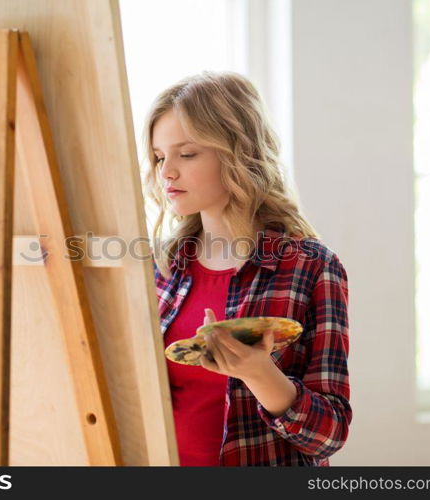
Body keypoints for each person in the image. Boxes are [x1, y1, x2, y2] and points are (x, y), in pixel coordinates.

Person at [142, 70, 352, 466]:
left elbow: (329, 435)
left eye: (186, 154)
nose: (166, 172)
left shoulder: (310, 266)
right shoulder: (160, 266)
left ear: (237, 151)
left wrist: (260, 375)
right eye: (158, 157)